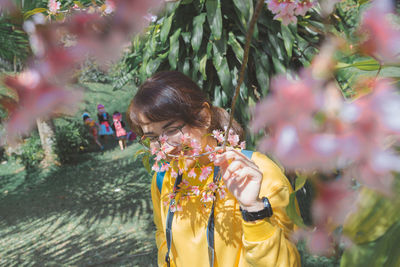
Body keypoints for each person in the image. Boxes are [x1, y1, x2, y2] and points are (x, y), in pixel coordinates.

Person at [127, 71, 300, 267]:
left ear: (204, 116)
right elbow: (164, 239)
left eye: (172, 130)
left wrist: (254, 210)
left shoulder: (259, 175)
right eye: (152, 138)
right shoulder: (164, 178)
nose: (165, 147)